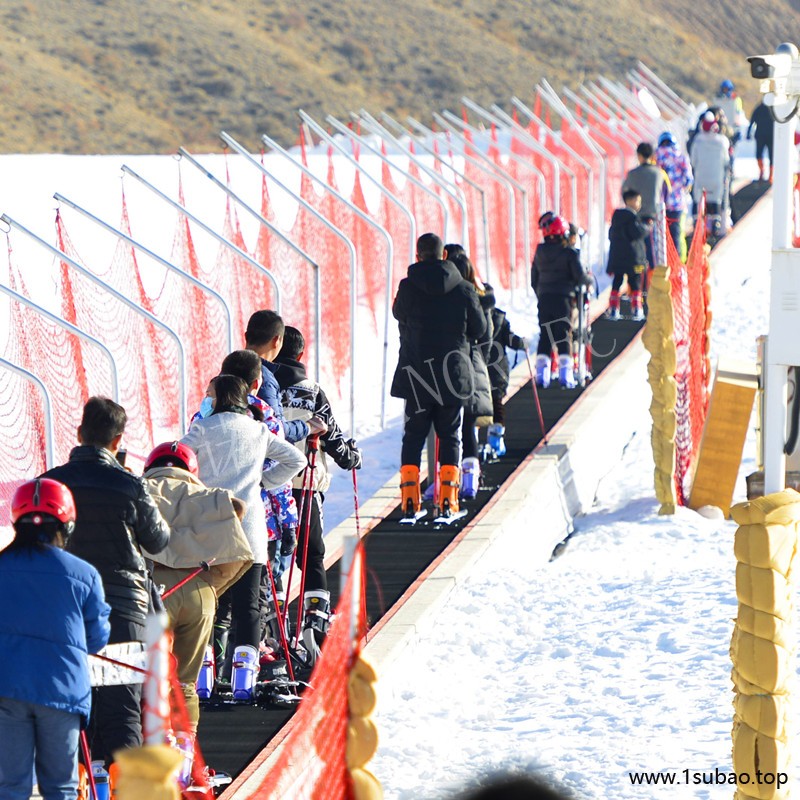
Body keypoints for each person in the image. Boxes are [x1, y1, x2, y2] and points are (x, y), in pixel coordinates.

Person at [43, 396, 170, 768]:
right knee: (122, 710)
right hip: (122, 612)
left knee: (69, 710)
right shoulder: (129, 484)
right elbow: (158, 540)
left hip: (62, 614)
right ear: (118, 442)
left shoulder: (49, 484)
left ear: (80, 433)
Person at [181, 375, 306, 674]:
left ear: (221, 396)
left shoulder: (200, 428)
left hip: (210, 525)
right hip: (250, 526)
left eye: (209, 392)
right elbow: (296, 460)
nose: (206, 398)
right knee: (249, 605)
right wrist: (264, 481)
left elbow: (175, 458)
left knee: (210, 602)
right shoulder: (259, 429)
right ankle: (243, 678)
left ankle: (206, 673)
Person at [0, 478, 110, 800]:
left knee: (9, 787)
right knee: (61, 787)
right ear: (68, 523)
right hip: (62, 693)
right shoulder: (85, 574)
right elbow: (97, 637)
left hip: (6, 689)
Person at [142, 441, 253, 731]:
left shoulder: (136, 492)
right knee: (185, 682)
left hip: (151, 594)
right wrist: (209, 589)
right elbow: (237, 553)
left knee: (146, 678)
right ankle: (186, 754)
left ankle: (150, 749)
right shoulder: (212, 497)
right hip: (197, 592)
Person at [272, 325, 363, 664]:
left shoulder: (258, 387)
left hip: (267, 489)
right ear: (300, 355)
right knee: (311, 556)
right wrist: (352, 456)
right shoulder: (311, 392)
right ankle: (314, 622)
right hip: (304, 486)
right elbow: (336, 441)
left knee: (273, 557)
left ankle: (273, 623)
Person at [391, 233, 486, 518]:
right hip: (452, 374)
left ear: (418, 256)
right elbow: (479, 329)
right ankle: (448, 501)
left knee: (413, 436)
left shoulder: (407, 286)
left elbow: (399, 314)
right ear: (444, 255)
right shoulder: (464, 288)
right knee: (450, 435)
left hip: (417, 373)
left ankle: (410, 501)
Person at [448, 250, 494, 499]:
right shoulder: (480, 295)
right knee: (468, 426)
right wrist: (480, 360)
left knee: (451, 427)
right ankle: (470, 478)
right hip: (474, 363)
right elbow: (486, 335)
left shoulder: (450, 296)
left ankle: (449, 481)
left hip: (449, 365)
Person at [244, 310, 327, 444]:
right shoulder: (263, 377)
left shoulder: (227, 368)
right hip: (255, 461)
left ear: (246, 336)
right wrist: (309, 426)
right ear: (277, 341)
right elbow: (278, 431)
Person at [531, 215, 592, 388]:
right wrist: (588, 282)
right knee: (563, 334)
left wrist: (540, 292)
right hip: (563, 298)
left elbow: (533, 277)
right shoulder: (569, 253)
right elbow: (579, 276)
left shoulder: (539, 251)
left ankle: (542, 375)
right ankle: (566, 375)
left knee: (545, 334)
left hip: (544, 298)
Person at [484, 305, 527, 458]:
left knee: (473, 410)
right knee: (497, 405)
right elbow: (511, 340)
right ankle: (496, 440)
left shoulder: (470, 316)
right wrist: (522, 343)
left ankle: (473, 443)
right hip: (498, 371)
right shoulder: (499, 319)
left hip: (478, 371)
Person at [621, 142, 670, 269]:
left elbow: (624, 191)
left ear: (639, 155)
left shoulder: (632, 174)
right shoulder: (659, 173)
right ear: (652, 155)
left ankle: (639, 281)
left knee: (637, 251)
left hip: (635, 217)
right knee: (653, 252)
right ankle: (651, 280)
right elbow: (666, 192)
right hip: (653, 216)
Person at [606, 190, 649, 321]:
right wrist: (646, 226)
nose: (639, 205)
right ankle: (636, 309)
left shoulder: (616, 218)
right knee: (635, 283)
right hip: (634, 259)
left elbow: (610, 235)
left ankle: (613, 308)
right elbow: (637, 232)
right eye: (638, 201)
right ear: (629, 201)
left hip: (617, 258)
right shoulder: (632, 218)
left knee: (617, 282)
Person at [655, 131, 693, 259]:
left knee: (660, 237)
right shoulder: (681, 157)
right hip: (677, 204)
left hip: (659, 204)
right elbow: (688, 180)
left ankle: (661, 266)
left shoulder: (656, 157)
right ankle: (678, 264)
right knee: (677, 234)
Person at [690, 112, 731, 225]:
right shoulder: (722, 142)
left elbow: (693, 161)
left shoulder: (697, 141)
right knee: (715, 199)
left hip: (701, 178)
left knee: (698, 200)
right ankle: (716, 223)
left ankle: (697, 223)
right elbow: (726, 160)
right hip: (716, 177)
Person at [747, 101, 775, 182]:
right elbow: (752, 120)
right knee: (759, 155)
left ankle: (771, 175)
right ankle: (761, 172)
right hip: (761, 136)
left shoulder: (774, 108)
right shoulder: (759, 108)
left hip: (771, 136)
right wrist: (749, 132)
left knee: (771, 156)